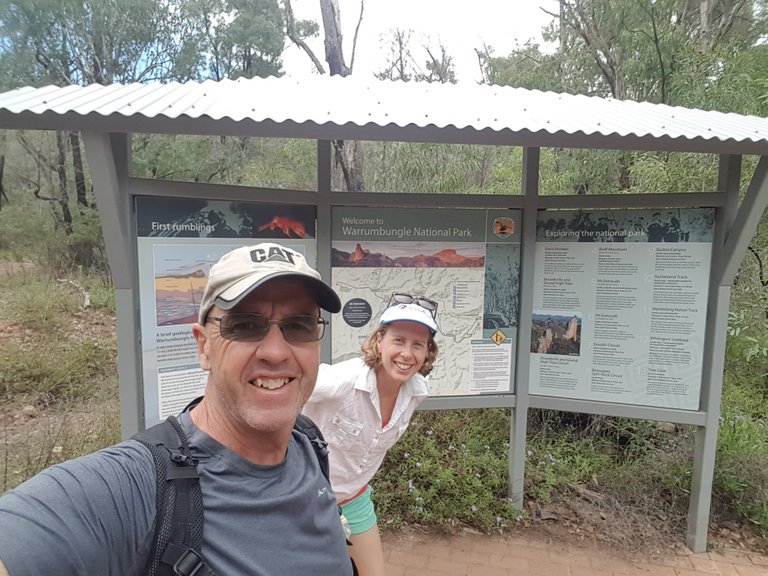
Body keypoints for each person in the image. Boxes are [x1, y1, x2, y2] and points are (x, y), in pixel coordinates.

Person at [0, 242, 354, 576]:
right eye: (245, 326)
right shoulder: (138, 487)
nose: (275, 352)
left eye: (299, 325)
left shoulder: (308, 442)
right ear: (204, 347)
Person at [303, 293, 440, 576]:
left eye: (418, 345)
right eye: (398, 340)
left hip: (353, 498)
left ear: (428, 352)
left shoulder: (416, 391)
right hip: (303, 501)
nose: (407, 353)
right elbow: (286, 386)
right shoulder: (341, 381)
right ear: (380, 341)